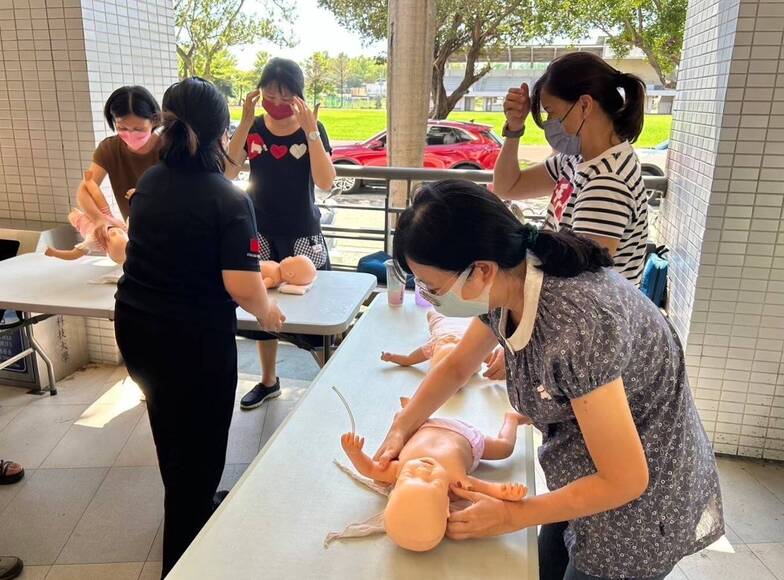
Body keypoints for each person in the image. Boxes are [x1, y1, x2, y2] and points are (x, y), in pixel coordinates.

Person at [374, 180, 724, 580]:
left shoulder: (578, 325)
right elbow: (457, 366)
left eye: (433, 288)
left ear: (480, 271)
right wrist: (403, 425)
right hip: (585, 466)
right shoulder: (508, 282)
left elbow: (625, 478)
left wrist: (510, 515)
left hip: (640, 506)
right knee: (544, 561)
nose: (430, 298)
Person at [114, 77, 285, 578]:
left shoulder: (149, 182)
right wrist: (269, 314)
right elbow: (242, 285)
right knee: (204, 447)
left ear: (165, 123)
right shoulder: (229, 200)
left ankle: (189, 502)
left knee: (171, 430)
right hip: (192, 340)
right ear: (221, 129)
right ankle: (184, 558)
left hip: (138, 328)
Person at [225, 57, 336, 411]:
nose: (276, 102)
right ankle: (269, 380)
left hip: (304, 232)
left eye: (285, 96)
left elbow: (326, 181)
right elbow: (227, 173)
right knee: (264, 308)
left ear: (298, 96)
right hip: (260, 232)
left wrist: (312, 131)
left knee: (318, 312)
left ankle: (330, 380)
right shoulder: (254, 128)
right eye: (270, 94)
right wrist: (243, 122)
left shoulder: (312, 128)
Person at [493, 52, 650, 287]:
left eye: (552, 112)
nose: (550, 123)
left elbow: (584, 281)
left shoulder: (606, 182)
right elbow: (508, 187)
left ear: (585, 105)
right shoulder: (575, 160)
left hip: (592, 318)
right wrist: (515, 129)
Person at [81, 85, 162, 245]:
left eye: (138, 128)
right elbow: (84, 190)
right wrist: (99, 219)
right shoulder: (109, 149)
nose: (130, 134)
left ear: (154, 120)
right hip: (136, 239)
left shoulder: (169, 148)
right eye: (122, 128)